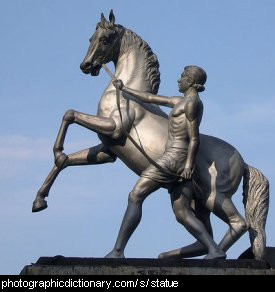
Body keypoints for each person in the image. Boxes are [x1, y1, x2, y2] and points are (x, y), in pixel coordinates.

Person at [106, 65, 225, 259]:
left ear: (191, 82)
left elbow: (194, 138)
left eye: (182, 76)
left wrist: (188, 165)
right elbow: (152, 98)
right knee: (183, 213)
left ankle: (118, 251)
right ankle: (214, 249)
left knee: (135, 195)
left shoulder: (191, 103)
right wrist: (124, 89)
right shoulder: (181, 101)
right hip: (178, 159)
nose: (179, 80)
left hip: (174, 158)